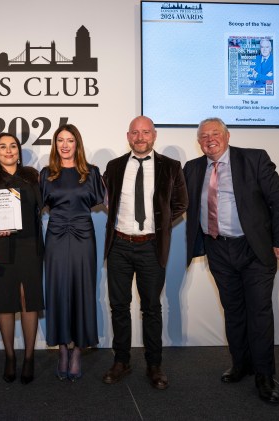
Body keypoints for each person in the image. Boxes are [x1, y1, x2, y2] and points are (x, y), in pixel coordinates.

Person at [184, 117, 279, 405]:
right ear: (198, 142)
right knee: (233, 311)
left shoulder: (254, 159)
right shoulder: (193, 168)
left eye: (215, 133)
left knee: (258, 313)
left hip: (254, 249)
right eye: (204, 136)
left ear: (227, 135)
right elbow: (179, 203)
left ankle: (264, 375)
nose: (210, 139)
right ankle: (241, 364)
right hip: (217, 249)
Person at [101, 116, 188, 390]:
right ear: (128, 136)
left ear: (154, 135)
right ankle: (122, 361)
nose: (140, 137)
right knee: (119, 307)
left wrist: (157, 225)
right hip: (119, 246)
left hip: (152, 246)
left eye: (145, 132)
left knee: (151, 308)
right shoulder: (114, 167)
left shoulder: (172, 167)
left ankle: (154, 364)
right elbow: (106, 201)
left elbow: (181, 203)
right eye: (135, 133)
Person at [0, 133, 44, 384]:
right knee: (4, 302)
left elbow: (42, 206)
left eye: (12, 146)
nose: (8, 150)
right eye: (2, 146)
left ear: (18, 150)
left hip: (29, 247)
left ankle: (28, 358)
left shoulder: (31, 176)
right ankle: (10, 357)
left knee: (29, 301)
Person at [40, 124, 105, 382]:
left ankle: (78, 351)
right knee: (57, 292)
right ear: (55, 145)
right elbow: (31, 208)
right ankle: (63, 350)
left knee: (82, 291)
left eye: (70, 140)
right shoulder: (46, 174)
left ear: (77, 144)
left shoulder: (92, 173)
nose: (65, 145)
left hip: (83, 238)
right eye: (60, 141)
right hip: (55, 238)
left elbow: (114, 201)